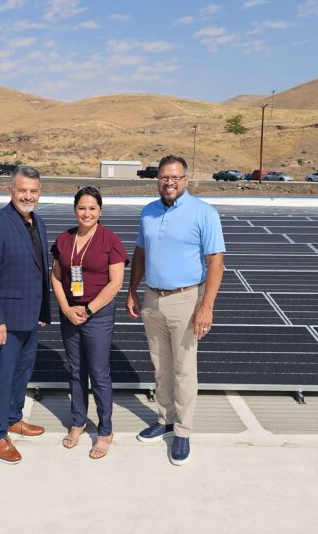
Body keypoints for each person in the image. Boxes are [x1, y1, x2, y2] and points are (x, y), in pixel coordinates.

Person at [126, 155, 225, 466]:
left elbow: (216, 262)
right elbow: (140, 253)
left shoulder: (204, 213)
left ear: (186, 180)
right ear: (157, 179)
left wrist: (206, 307)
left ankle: (182, 431)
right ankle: (165, 420)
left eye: (175, 177)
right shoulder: (148, 212)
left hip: (186, 299)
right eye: (164, 177)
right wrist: (132, 289)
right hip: (152, 298)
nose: (169, 182)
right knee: (161, 366)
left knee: (184, 369)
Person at [0, 166, 51, 464]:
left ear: (39, 193)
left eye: (33, 191)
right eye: (22, 190)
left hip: (29, 316)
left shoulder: (38, 222)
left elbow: (39, 270)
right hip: (3, 319)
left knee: (21, 373)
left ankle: (12, 418)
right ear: (11, 191)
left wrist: (42, 310)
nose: (28, 196)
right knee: (1, 376)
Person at [50, 186, 128, 460]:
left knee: (98, 372)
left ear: (100, 211)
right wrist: (66, 308)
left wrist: (89, 309)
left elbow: (116, 282)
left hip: (98, 314)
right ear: (75, 210)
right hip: (70, 314)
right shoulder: (64, 239)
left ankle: (105, 431)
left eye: (92, 208)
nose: (87, 213)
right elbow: (56, 276)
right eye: (82, 208)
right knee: (76, 370)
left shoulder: (110, 240)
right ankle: (78, 422)